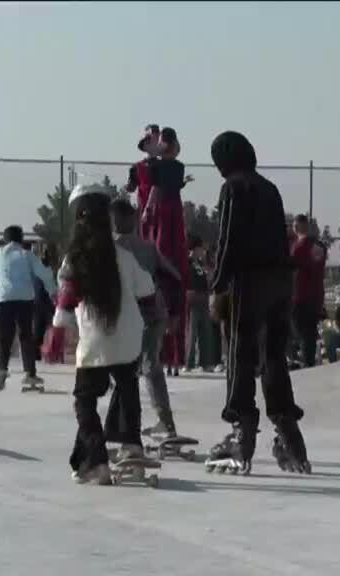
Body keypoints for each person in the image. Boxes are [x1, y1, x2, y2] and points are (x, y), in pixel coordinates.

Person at [205, 130, 310, 475]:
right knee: (273, 358)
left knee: (239, 354)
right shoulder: (270, 188)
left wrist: (217, 285)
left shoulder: (233, 189)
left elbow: (227, 241)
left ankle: (242, 431)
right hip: (280, 283)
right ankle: (289, 435)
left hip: (247, 284)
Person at [55, 183, 156, 485]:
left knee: (85, 400)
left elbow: (65, 303)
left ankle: (97, 461)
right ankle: (132, 447)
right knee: (127, 390)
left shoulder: (76, 257)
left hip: (95, 340)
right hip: (129, 337)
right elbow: (147, 290)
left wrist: (62, 334)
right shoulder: (124, 255)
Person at [110, 197, 183, 438]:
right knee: (150, 366)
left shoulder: (111, 248)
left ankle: (124, 426)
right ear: (133, 220)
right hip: (154, 313)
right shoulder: (148, 247)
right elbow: (174, 276)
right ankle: (165, 421)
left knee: (127, 369)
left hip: (131, 316)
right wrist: (173, 310)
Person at [0, 226, 56, 391]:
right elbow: (45, 274)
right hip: (25, 300)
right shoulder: (27, 255)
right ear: (21, 239)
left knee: (4, 338)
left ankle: (1, 370)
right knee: (26, 336)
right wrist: (53, 292)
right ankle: (30, 373)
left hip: (3, 300)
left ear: (5, 239)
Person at [147, 128, 191, 378]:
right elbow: (155, 188)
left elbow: (159, 189)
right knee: (165, 243)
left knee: (167, 243)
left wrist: (148, 209)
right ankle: (168, 357)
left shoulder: (171, 166)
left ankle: (172, 357)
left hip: (168, 208)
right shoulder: (162, 166)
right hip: (167, 208)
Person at [290, 214, 327, 368]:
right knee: (310, 332)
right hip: (317, 296)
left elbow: (291, 271)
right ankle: (309, 361)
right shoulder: (319, 246)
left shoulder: (297, 247)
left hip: (300, 297)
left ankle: (306, 363)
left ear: (296, 227)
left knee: (302, 333)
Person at [184, 235, 215, 373]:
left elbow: (208, 281)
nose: (203, 251)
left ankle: (206, 362)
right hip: (193, 301)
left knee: (205, 332)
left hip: (203, 300)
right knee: (192, 333)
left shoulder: (201, 264)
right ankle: (189, 362)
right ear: (195, 249)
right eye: (201, 248)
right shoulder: (188, 262)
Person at [126, 124, 161, 236]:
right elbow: (131, 187)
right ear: (145, 145)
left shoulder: (163, 166)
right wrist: (128, 186)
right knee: (144, 237)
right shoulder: (137, 167)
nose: (154, 143)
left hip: (160, 210)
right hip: (143, 209)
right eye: (150, 140)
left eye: (157, 140)